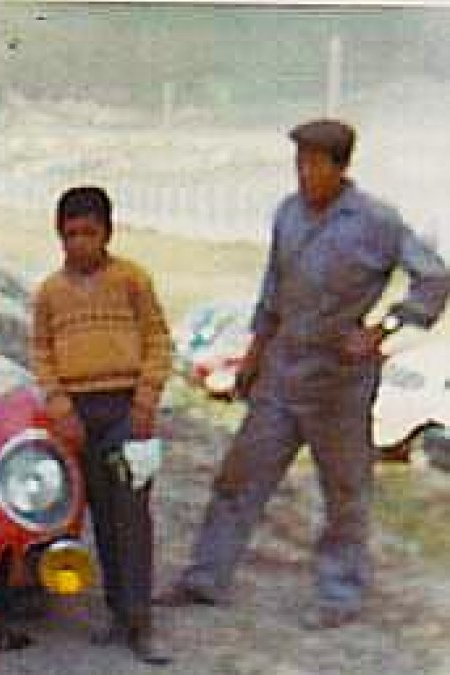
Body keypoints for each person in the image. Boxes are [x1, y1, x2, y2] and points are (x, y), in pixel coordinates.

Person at [158, 119, 450, 630]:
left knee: (343, 489)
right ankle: (205, 578)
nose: (304, 173)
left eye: (314, 164)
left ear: (340, 168)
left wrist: (382, 330)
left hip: (340, 379)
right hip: (282, 368)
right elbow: (271, 293)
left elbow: (434, 277)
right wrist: (252, 360)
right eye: (299, 162)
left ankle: (338, 594)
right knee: (239, 476)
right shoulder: (288, 215)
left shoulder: (377, 222)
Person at [29, 186, 173, 665]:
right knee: (101, 519)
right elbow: (42, 354)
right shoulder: (49, 292)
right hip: (78, 414)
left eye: (90, 233)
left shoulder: (132, 279)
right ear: (59, 237)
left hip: (126, 409)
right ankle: (115, 613)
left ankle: (142, 623)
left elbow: (157, 339)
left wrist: (146, 401)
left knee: (132, 514)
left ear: (107, 233)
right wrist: (61, 409)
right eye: (71, 234)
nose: (80, 243)